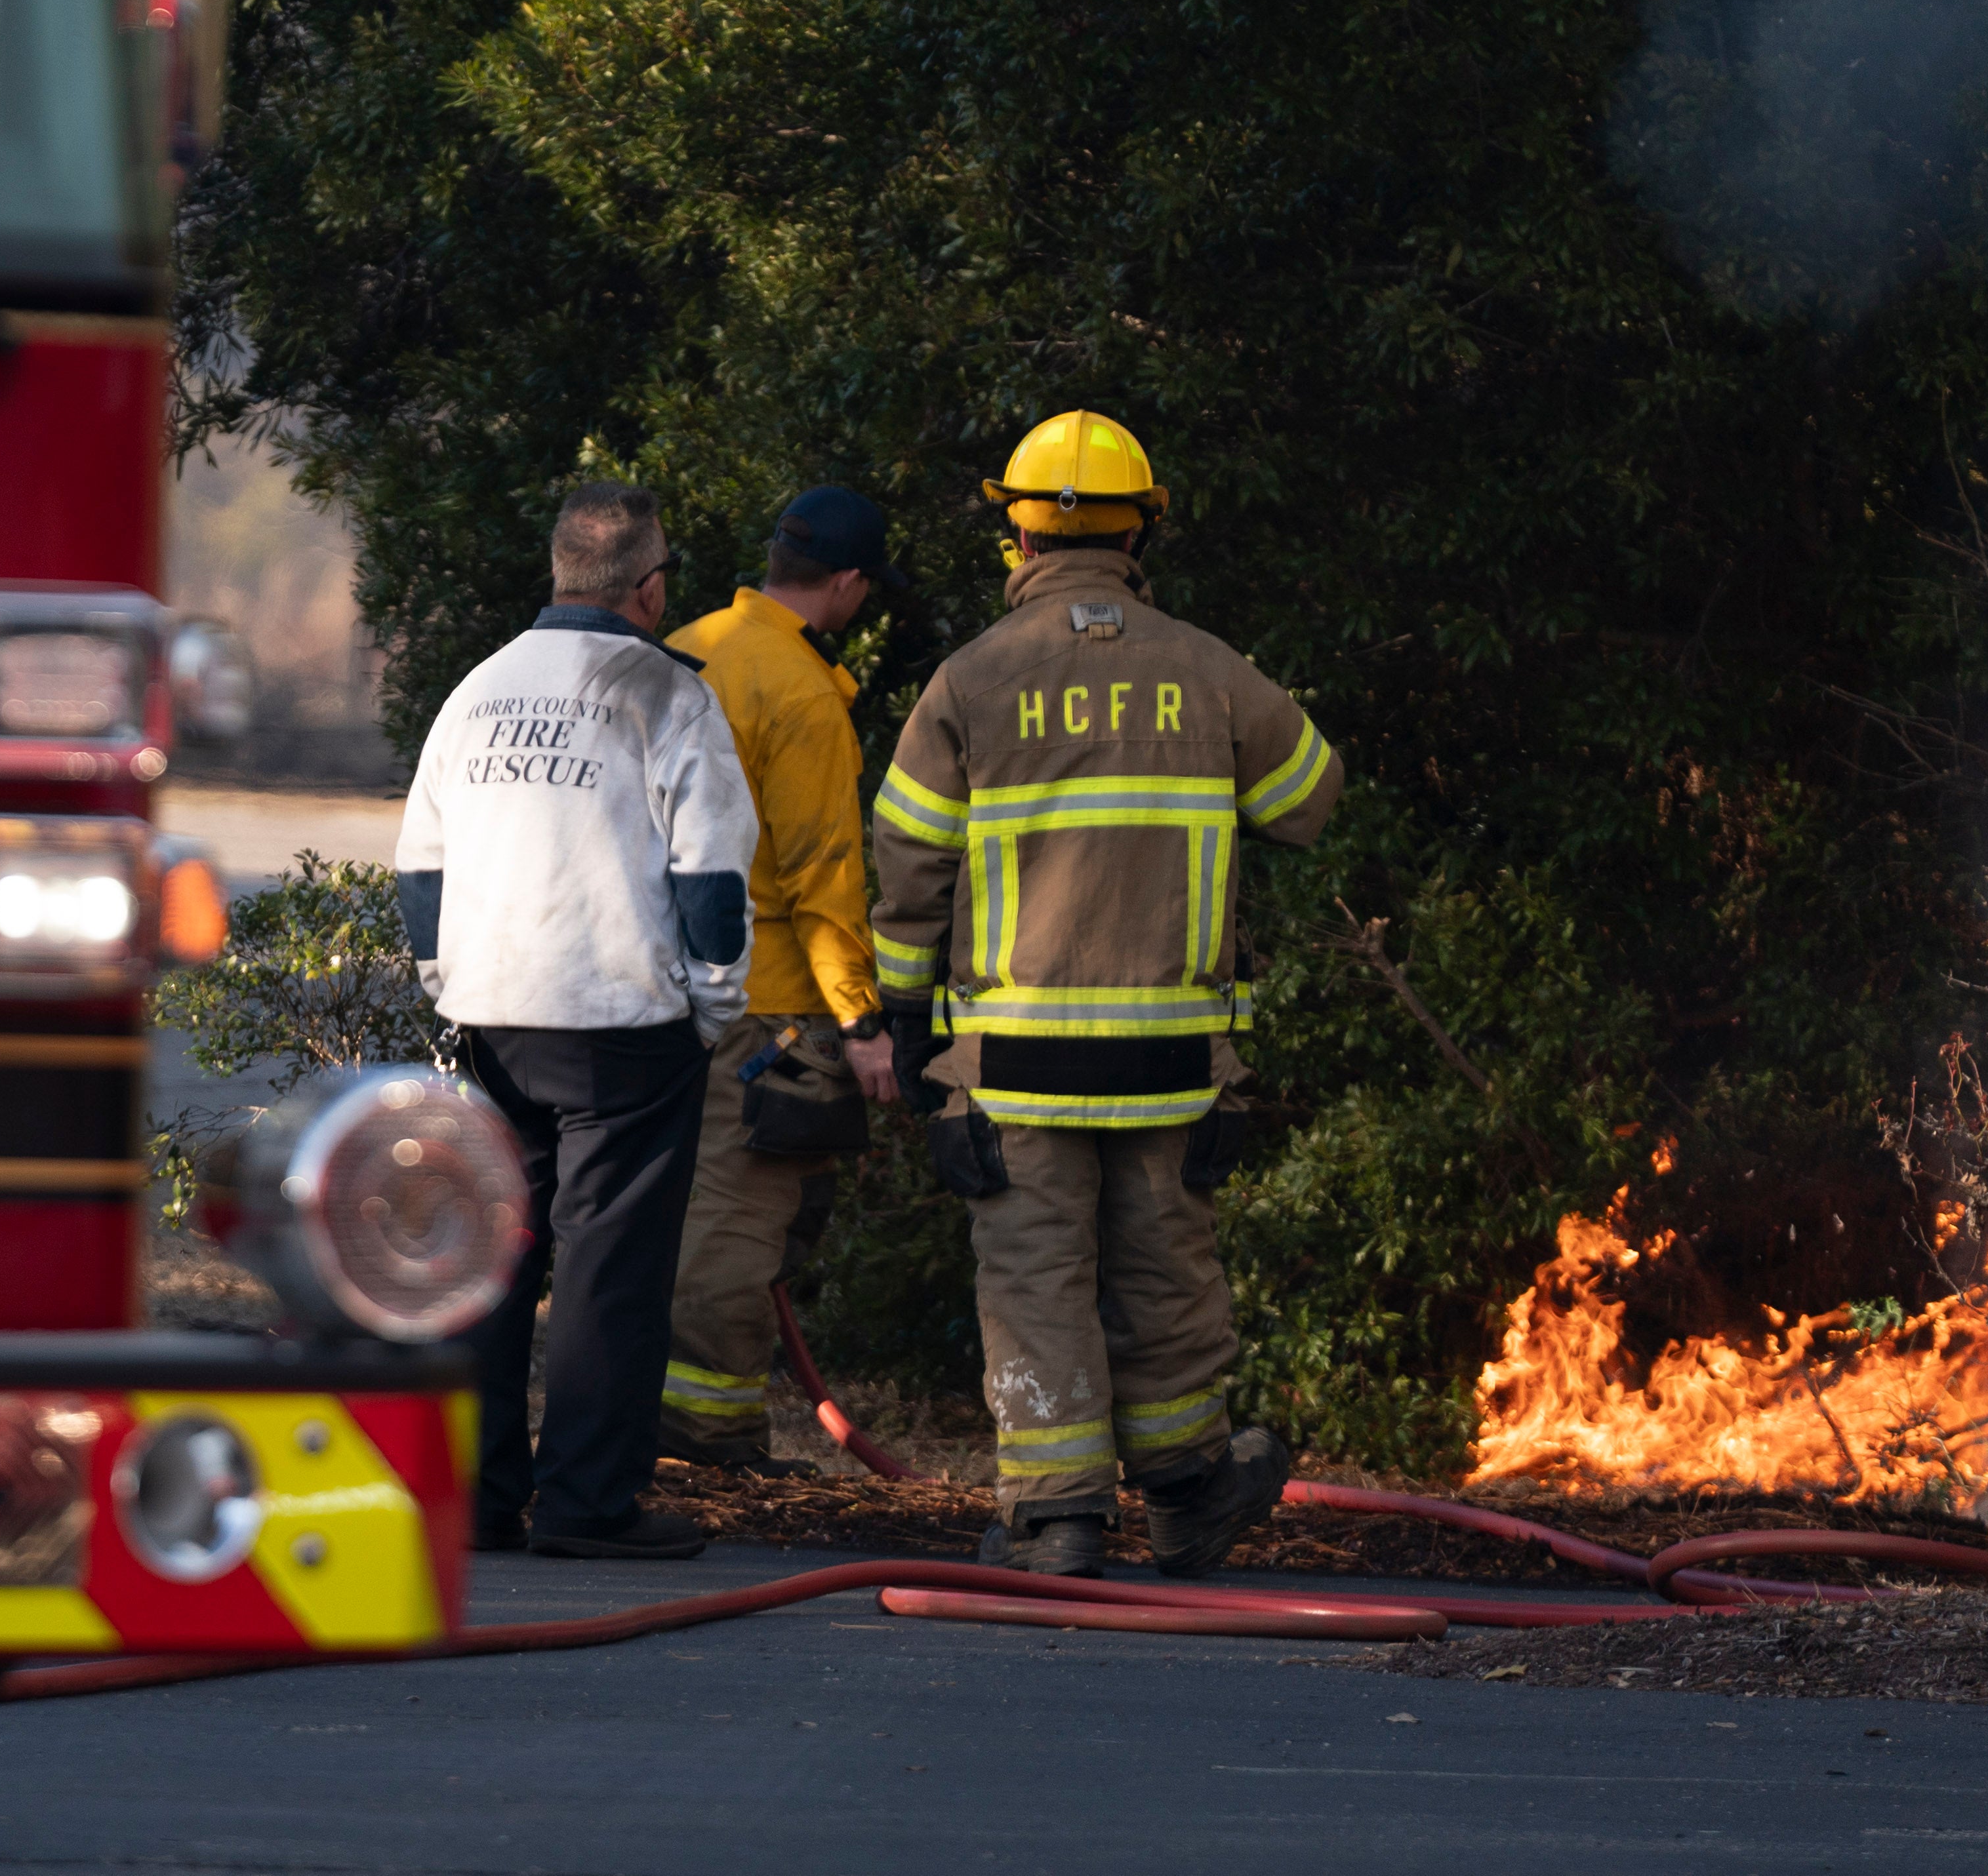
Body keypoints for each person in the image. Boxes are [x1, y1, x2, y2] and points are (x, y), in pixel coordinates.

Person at [868, 411, 1340, 1580]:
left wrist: (899, 1021)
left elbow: (904, 868)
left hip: (1015, 1065)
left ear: (1014, 536)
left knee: (1034, 1280)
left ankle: (1058, 1521)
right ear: (1143, 532)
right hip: (1172, 1061)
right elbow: (1312, 801)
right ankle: (1186, 1497)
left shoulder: (968, 682)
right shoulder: (1206, 668)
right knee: (1164, 1273)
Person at [397, 482, 755, 1560]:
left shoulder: (477, 691)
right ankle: (589, 1503)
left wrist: (444, 981)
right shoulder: (666, 698)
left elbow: (420, 867)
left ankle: (475, 1494)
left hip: (490, 1021)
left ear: (559, 574)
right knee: (608, 1267)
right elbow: (708, 880)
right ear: (650, 589)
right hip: (621, 1025)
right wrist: (714, 1006)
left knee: (495, 1257)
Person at [655, 487, 910, 1473]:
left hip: (656, 990)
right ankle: (705, 1435)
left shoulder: (684, 645)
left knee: (673, 1209)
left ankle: (659, 1417)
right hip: (765, 1005)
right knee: (738, 1220)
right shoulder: (800, 695)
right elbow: (821, 877)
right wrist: (860, 1019)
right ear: (845, 583)